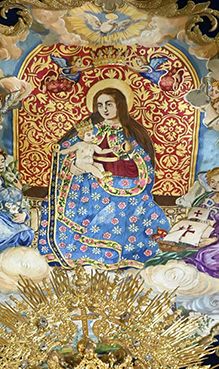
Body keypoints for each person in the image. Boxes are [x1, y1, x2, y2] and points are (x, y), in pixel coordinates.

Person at [37, 84, 170, 269]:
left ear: (120, 105)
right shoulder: (90, 130)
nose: (104, 109)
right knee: (59, 202)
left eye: (109, 104)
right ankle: (79, 253)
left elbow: (143, 162)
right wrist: (74, 164)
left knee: (133, 206)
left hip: (123, 182)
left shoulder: (130, 132)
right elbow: (66, 152)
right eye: (100, 105)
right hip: (88, 183)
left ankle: (121, 254)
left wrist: (130, 157)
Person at [149, 166, 219, 281]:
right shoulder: (207, 197)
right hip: (203, 231)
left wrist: (213, 239)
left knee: (206, 257)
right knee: (182, 244)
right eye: (212, 181)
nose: (215, 185)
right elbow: (197, 214)